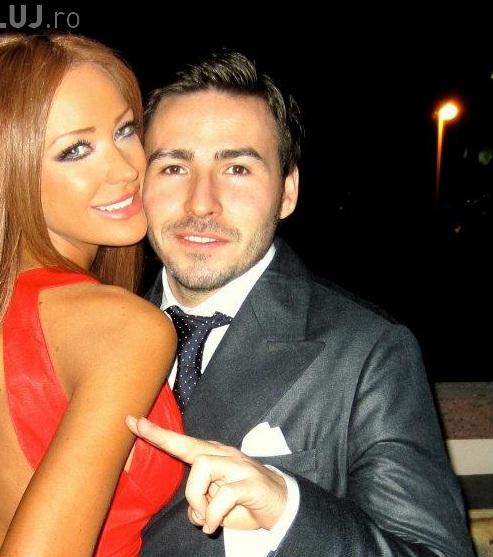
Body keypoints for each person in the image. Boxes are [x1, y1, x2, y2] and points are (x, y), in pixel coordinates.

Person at [127, 52, 474, 556]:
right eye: (174, 166)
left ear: (287, 192)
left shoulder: (368, 352)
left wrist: (287, 508)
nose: (201, 202)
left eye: (237, 168)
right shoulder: (99, 332)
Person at [0, 34, 184, 557]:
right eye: (75, 150)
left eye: (124, 130)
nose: (126, 169)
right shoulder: (124, 327)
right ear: (8, 173)